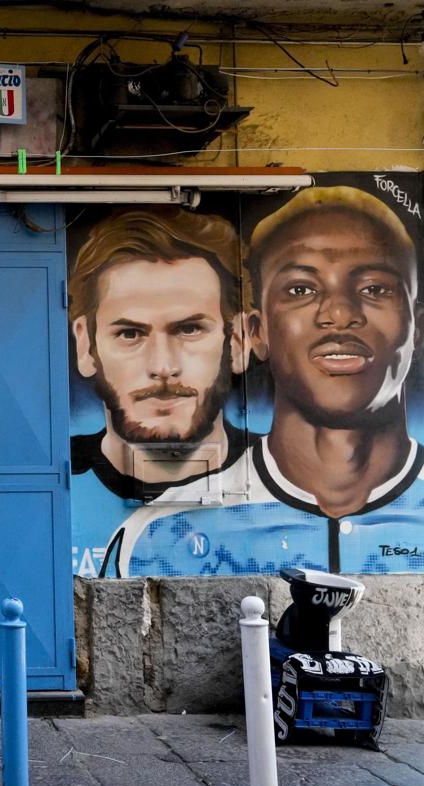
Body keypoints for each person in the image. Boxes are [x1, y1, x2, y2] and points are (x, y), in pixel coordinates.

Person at [115, 186, 424, 576]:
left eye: (375, 288)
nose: (340, 313)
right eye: (301, 289)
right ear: (257, 332)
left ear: (417, 328)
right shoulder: (161, 536)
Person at [67, 208, 254, 577]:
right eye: (130, 334)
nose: (163, 367)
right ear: (86, 347)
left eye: (189, 330)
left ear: (238, 341)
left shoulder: (285, 479)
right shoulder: (54, 478)